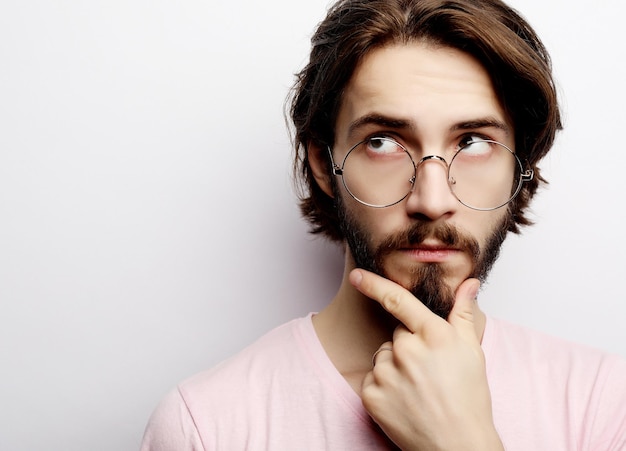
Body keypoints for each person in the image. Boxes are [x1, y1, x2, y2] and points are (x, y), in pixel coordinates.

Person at [141, 0, 626, 449]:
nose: (432, 202)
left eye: (475, 142)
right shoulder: (205, 425)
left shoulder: (604, 405)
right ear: (321, 163)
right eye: (383, 142)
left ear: (520, 169)